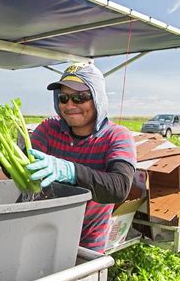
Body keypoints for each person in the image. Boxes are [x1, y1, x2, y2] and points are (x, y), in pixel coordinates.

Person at [25, 63, 136, 254]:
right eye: (63, 98)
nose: (70, 105)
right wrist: (5, 157)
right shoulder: (49, 129)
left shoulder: (116, 136)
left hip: (87, 243)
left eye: (80, 97)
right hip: (41, 233)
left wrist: (72, 171)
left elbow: (119, 188)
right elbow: (27, 168)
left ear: (97, 98)